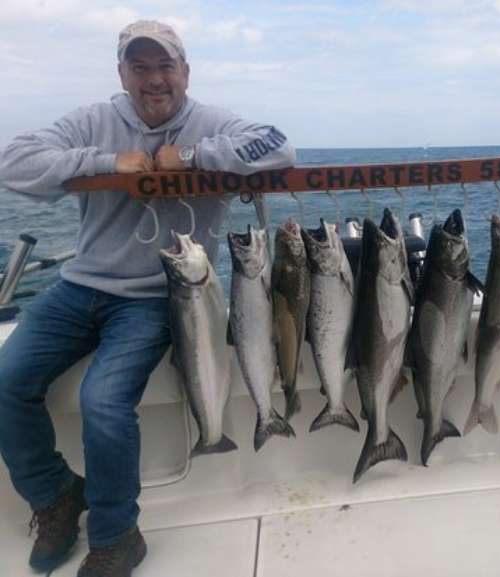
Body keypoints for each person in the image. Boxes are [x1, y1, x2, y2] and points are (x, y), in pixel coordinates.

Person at [0, 20, 295, 577]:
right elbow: (14, 163)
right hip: (78, 286)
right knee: (4, 381)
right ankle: (55, 495)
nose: (154, 79)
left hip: (160, 295)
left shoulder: (211, 121)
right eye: (140, 67)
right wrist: (108, 163)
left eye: (165, 66)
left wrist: (195, 155)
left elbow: (279, 146)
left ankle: (116, 535)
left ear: (186, 72)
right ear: (122, 74)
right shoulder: (92, 120)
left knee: (103, 401)